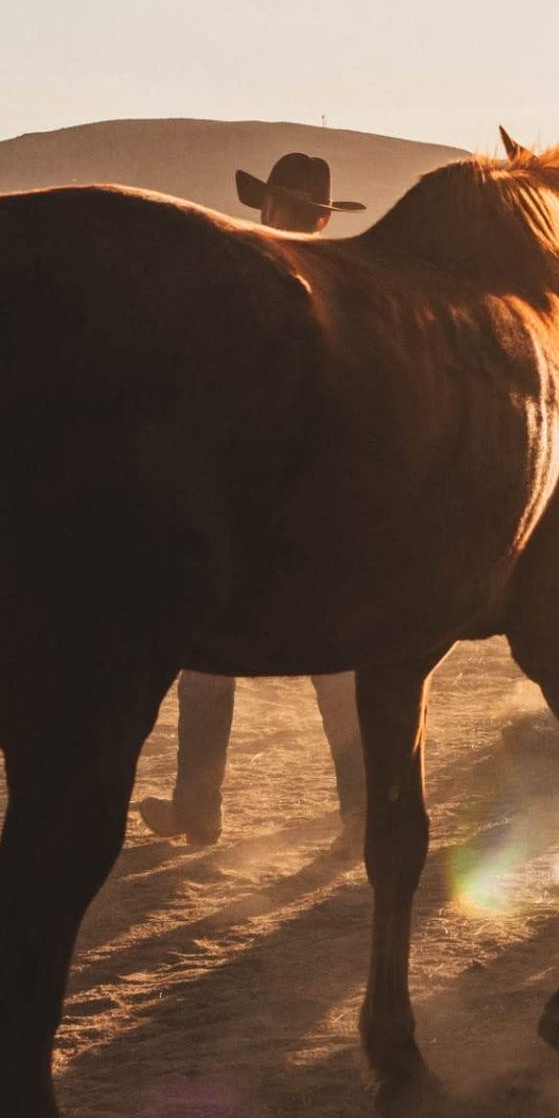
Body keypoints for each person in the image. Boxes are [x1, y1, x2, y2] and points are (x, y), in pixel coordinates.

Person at [135, 150, 371, 845]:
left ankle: (200, 808)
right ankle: (359, 812)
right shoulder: (349, 294)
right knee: (337, 670)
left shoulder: (232, 287)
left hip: (242, 509)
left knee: (208, 661)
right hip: (321, 516)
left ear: (268, 207)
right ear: (324, 218)